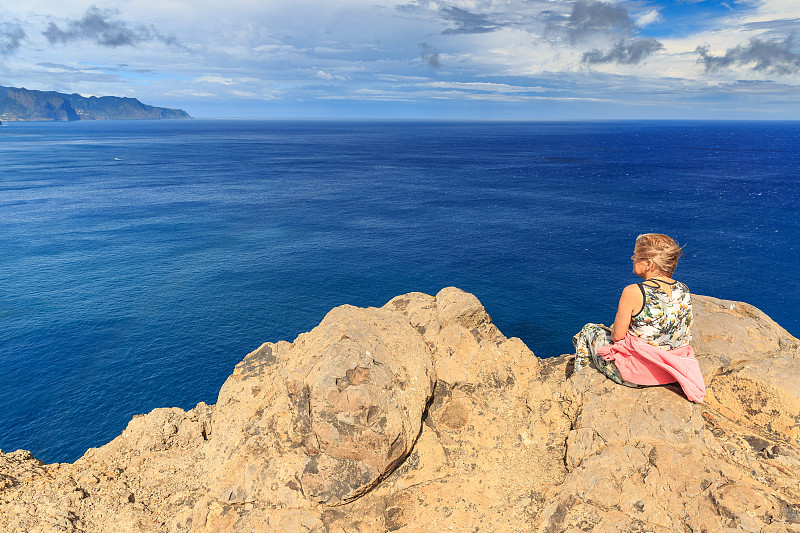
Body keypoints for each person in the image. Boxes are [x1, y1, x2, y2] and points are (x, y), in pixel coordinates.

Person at [572, 233, 705, 402]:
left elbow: (617, 336)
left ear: (649, 264)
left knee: (589, 330)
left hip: (638, 374)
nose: (632, 258)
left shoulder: (633, 291)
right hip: (672, 371)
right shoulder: (683, 289)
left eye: (636, 256)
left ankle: (578, 387)